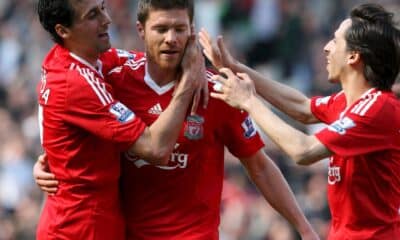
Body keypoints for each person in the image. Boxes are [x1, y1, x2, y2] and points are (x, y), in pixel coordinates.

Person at [34, 0, 319, 239]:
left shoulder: (219, 93)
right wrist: (50, 158)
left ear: (192, 33)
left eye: (180, 29)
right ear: (141, 31)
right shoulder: (115, 76)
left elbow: (260, 166)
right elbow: (65, 91)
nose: (171, 38)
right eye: (161, 28)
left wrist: (304, 228)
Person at [200, 3, 400, 240]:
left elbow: (303, 151)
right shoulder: (352, 102)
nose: (326, 48)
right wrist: (234, 67)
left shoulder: (378, 108)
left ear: (353, 56)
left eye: (335, 41)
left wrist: (249, 102)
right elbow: (302, 107)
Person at [35, 0, 205, 239]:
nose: (107, 19)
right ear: (63, 31)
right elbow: (155, 149)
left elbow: (149, 61)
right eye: (93, 14)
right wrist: (188, 81)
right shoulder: (75, 82)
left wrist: (199, 64)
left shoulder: (81, 58)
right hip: (80, 229)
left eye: (103, 7)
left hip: (88, 219)